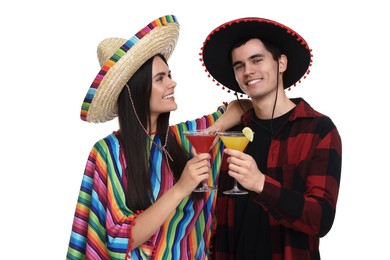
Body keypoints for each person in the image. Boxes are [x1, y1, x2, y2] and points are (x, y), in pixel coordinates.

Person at [66, 15, 248, 260]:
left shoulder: (186, 137)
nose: (172, 83)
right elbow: (120, 239)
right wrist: (182, 187)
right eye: (160, 78)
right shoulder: (109, 151)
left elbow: (243, 107)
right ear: (135, 90)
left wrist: (214, 129)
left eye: (169, 74)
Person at [201, 17, 342, 259]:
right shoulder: (233, 132)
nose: (248, 72)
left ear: (281, 63)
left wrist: (260, 184)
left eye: (257, 60)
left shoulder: (319, 129)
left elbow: (321, 219)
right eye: (239, 65)